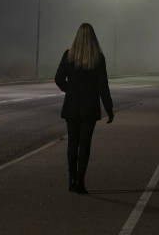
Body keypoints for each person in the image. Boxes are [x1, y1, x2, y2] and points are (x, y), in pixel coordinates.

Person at [55, 23, 114, 194]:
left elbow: (58, 78)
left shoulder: (68, 55)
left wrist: (70, 90)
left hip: (72, 106)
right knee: (85, 145)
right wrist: (109, 109)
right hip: (89, 107)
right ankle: (81, 182)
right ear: (93, 39)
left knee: (72, 143)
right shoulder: (98, 59)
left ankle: (71, 180)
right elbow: (103, 87)